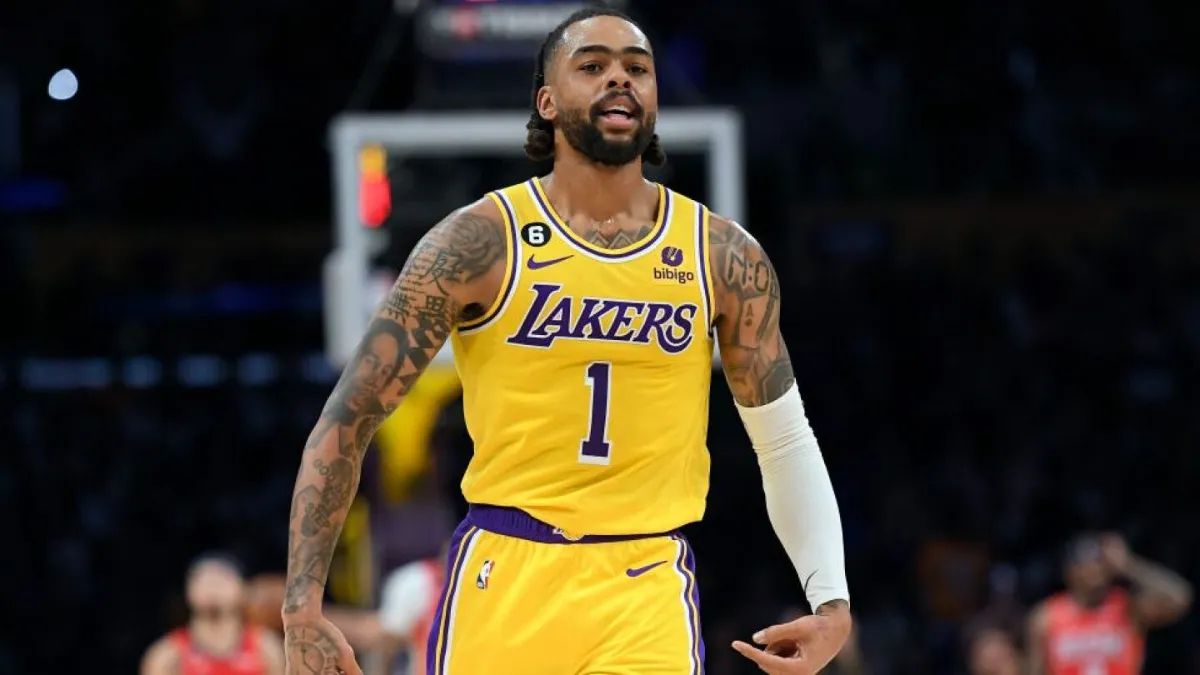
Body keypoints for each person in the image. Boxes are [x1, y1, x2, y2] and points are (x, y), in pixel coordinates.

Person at [279, 8, 852, 674]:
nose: (620, 79)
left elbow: (784, 440)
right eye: (594, 65)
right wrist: (302, 606)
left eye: (637, 68)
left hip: (644, 584)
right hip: (506, 572)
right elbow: (346, 422)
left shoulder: (724, 256)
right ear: (547, 101)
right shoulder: (477, 242)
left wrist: (831, 600)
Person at [1026, 532, 1193, 675]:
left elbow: (1179, 597)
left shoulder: (1127, 608)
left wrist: (1129, 564)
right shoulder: (1047, 616)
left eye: (1099, 562)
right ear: (1070, 571)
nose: (1095, 569)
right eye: (1087, 563)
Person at [141, 553, 285, 675]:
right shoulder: (167, 655)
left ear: (242, 588)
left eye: (222, 579)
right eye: (203, 579)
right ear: (188, 591)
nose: (213, 586)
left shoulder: (267, 648)